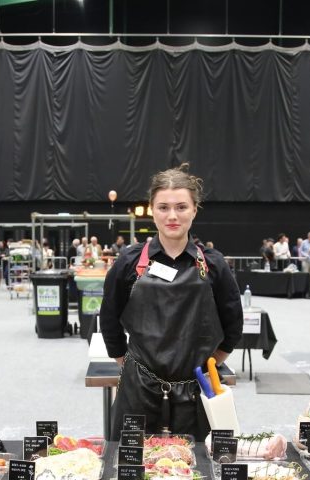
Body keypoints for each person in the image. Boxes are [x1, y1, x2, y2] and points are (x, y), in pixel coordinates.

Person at [100, 163, 243, 441]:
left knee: (199, 465)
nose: (172, 216)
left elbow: (233, 325)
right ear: (152, 210)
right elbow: (109, 319)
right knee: (131, 462)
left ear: (194, 210)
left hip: (198, 392)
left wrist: (209, 365)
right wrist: (127, 364)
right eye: (163, 207)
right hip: (138, 391)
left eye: (181, 207)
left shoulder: (214, 265)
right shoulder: (129, 262)